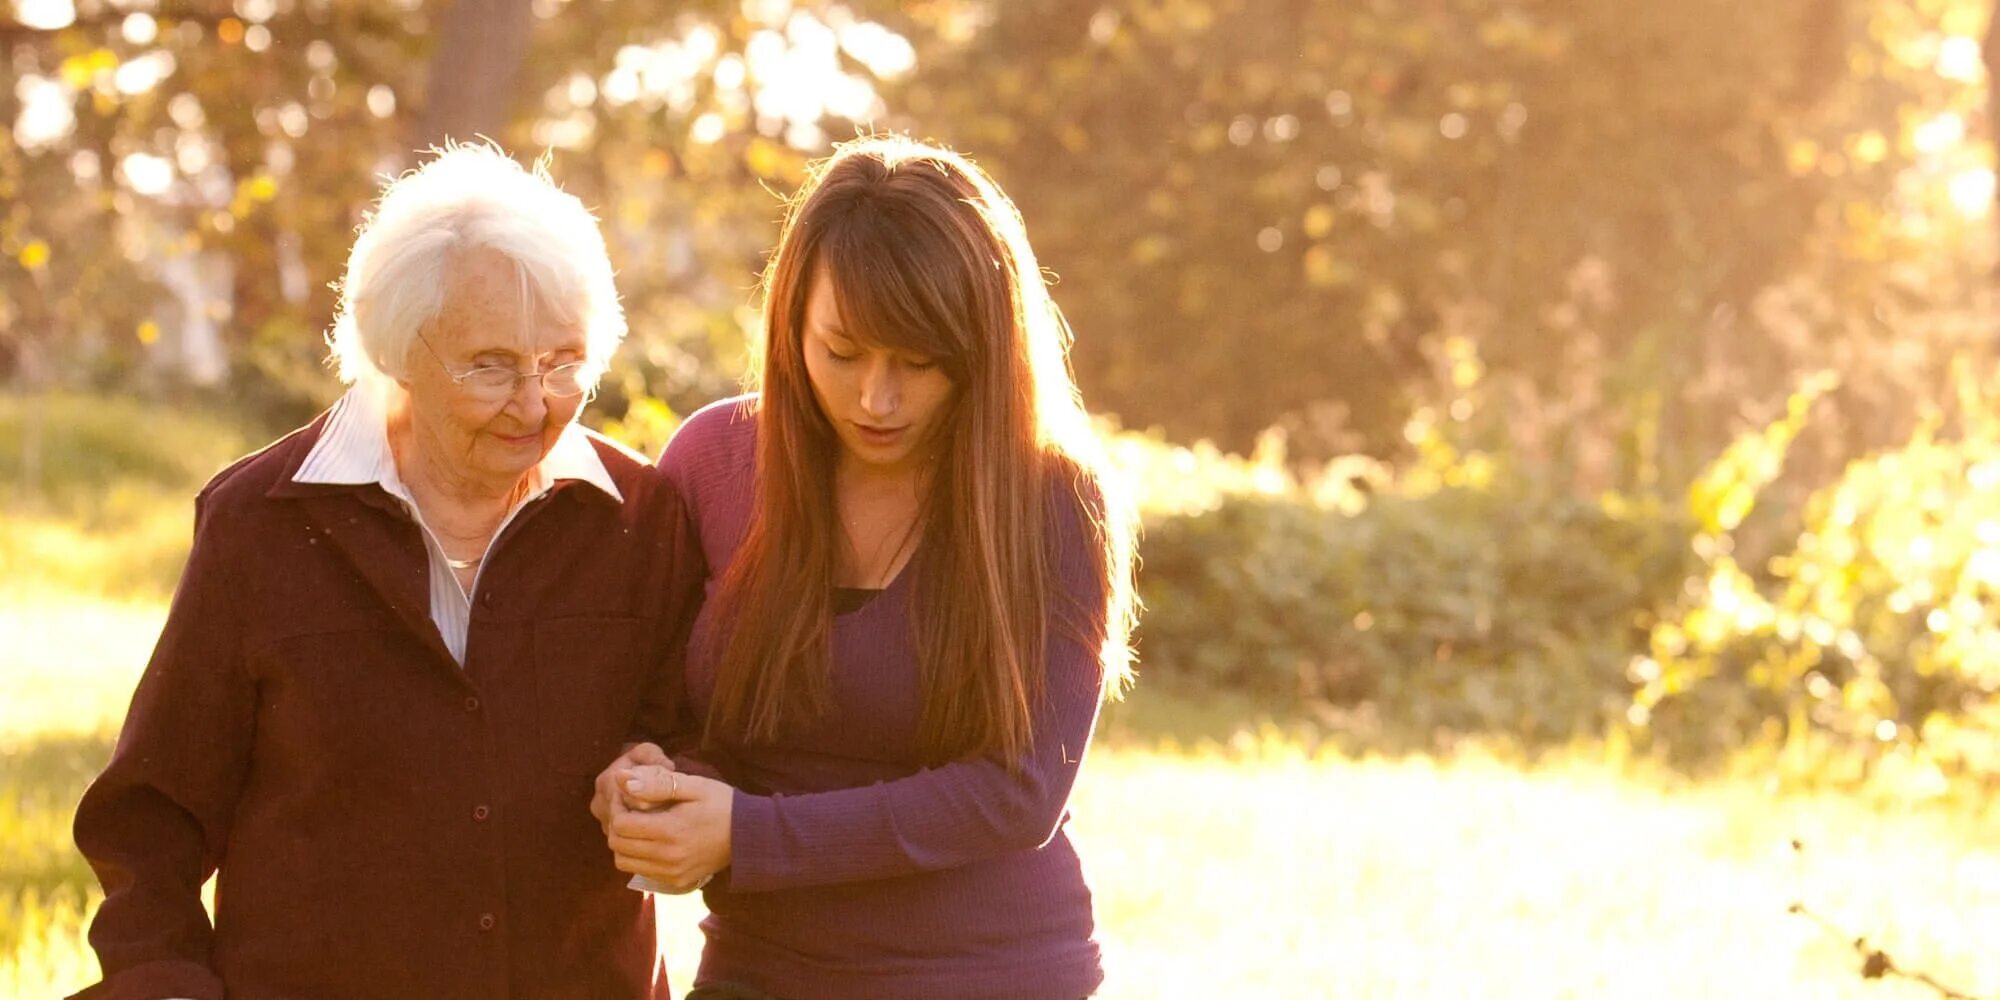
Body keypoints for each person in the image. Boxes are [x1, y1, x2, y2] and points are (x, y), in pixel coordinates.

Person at [70, 142, 704, 1000]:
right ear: (399, 351)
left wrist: (663, 779)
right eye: (490, 365)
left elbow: (695, 738)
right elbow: (151, 819)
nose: (534, 402)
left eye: (563, 363)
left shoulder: (641, 519)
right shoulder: (259, 524)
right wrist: (166, 981)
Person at [591, 135, 1139, 1000]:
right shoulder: (710, 464)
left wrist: (751, 836)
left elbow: (1019, 792)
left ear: (983, 349)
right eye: (841, 352)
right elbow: (665, 709)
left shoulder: (1051, 500)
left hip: (991, 975)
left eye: (918, 363)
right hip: (760, 968)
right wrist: (654, 779)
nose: (876, 399)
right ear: (790, 323)